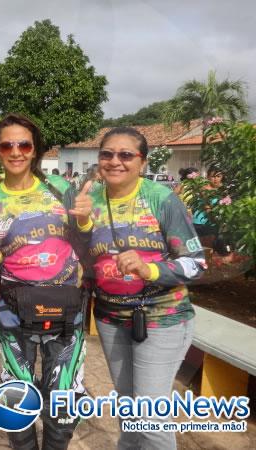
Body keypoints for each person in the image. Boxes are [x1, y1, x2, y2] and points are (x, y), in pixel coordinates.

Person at [0, 113, 93, 450]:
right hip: (14, 312)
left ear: (35, 149)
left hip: (66, 310)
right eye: (7, 145)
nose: (16, 151)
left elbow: (86, 247)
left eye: (24, 144)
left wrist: (85, 223)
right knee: (18, 398)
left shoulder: (60, 189)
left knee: (64, 398)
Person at [87, 127, 205, 450]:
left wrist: (148, 268)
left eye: (126, 155)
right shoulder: (90, 200)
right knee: (130, 415)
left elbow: (196, 263)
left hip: (162, 317)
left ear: (142, 162)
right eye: (107, 154)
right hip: (111, 318)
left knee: (150, 421)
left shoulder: (161, 199)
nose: (115, 161)